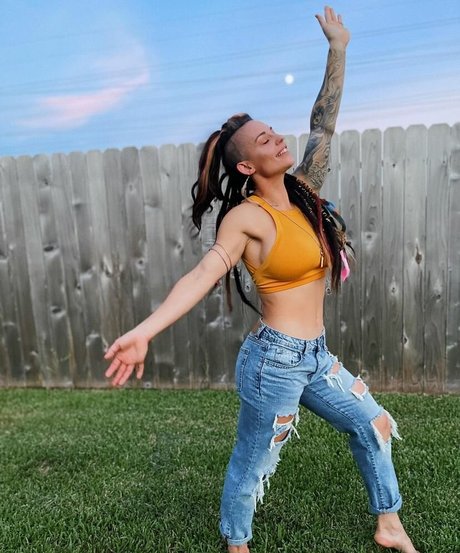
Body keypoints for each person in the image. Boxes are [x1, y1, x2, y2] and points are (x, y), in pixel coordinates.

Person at [104, 7, 419, 553]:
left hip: (315, 356)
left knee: (374, 424)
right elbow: (203, 273)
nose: (276, 139)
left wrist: (337, 49)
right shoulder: (246, 218)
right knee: (254, 461)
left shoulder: (304, 193)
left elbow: (323, 124)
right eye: (262, 140)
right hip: (273, 362)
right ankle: (237, 544)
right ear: (246, 167)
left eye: (273, 132)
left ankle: (388, 525)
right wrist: (145, 331)